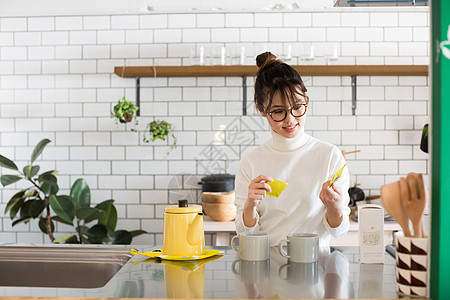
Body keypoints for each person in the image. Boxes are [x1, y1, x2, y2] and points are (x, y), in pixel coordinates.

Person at [234, 52, 350, 247]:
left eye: (297, 107)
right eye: (278, 111)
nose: (290, 120)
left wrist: (335, 208)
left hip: (316, 270)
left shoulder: (330, 156)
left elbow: (338, 232)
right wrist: (250, 205)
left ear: (306, 100)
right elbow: (243, 233)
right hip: (266, 271)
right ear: (261, 110)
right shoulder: (251, 162)